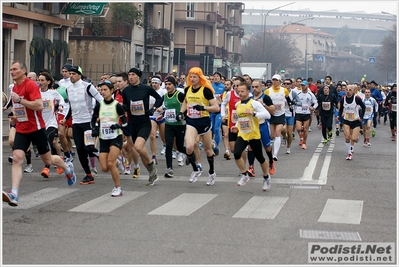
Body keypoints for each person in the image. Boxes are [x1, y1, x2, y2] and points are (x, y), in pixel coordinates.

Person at [2, 61, 76, 207]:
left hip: (36, 128)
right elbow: (20, 108)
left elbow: (39, 105)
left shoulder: (30, 85)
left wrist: (20, 100)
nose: (12, 72)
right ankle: (14, 194)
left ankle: (68, 168)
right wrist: (15, 116)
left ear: (23, 71)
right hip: (22, 129)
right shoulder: (14, 88)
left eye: (15, 69)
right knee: (17, 159)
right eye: (10, 69)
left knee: (48, 160)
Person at [121, 67, 163, 186]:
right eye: (129, 75)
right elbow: (125, 105)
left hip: (144, 122)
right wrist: (122, 108)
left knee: (138, 147)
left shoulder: (146, 88)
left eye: (133, 74)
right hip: (132, 123)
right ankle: (152, 174)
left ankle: (151, 163)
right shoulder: (126, 91)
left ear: (138, 76)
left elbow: (159, 99)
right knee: (138, 149)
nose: (130, 77)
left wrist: (153, 109)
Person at [178, 67, 220, 185]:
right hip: (191, 121)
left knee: (207, 149)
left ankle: (211, 172)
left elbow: (216, 107)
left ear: (200, 78)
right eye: (190, 77)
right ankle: (195, 169)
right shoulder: (187, 89)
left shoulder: (206, 90)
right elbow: (186, 102)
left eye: (195, 77)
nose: (192, 79)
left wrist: (203, 108)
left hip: (204, 122)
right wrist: (181, 112)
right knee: (189, 147)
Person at [63, 66, 104, 185]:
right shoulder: (68, 89)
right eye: (70, 73)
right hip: (76, 122)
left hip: (88, 121)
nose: (71, 76)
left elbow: (101, 100)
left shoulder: (88, 87)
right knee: (80, 150)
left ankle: (103, 157)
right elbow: (71, 106)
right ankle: (89, 175)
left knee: (88, 148)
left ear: (79, 75)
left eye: (73, 74)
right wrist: (65, 119)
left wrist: (98, 115)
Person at [91, 80, 129, 196]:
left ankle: (118, 188)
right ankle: (119, 162)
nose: (103, 92)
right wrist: (95, 129)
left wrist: (118, 125)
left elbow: (125, 122)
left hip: (115, 137)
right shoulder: (99, 105)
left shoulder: (117, 106)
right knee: (104, 168)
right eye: (101, 90)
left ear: (112, 91)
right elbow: (93, 120)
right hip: (103, 138)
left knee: (110, 163)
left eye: (105, 90)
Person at [231, 82, 271, 191]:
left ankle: (266, 177)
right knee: (237, 153)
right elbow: (240, 119)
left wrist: (253, 114)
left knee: (260, 158)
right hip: (243, 134)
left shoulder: (254, 103)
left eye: (242, 91)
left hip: (253, 135)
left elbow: (267, 115)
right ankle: (244, 174)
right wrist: (236, 126)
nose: (240, 93)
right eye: (238, 91)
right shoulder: (237, 104)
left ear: (248, 92)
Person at [156, 76, 186, 178]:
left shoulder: (180, 95)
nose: (168, 86)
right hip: (169, 124)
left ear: (174, 85)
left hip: (179, 125)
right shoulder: (164, 96)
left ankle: (191, 156)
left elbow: (187, 105)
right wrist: (162, 114)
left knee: (180, 147)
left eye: (170, 84)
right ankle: (169, 169)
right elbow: (167, 108)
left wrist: (182, 115)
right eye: (166, 84)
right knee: (169, 145)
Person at [37, 71, 65, 178]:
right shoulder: (36, 92)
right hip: (40, 124)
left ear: (48, 82)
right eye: (39, 80)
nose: (40, 82)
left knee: (48, 141)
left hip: (51, 123)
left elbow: (61, 99)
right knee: (49, 144)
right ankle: (58, 159)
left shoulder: (53, 93)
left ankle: (46, 168)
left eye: (42, 80)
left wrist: (60, 106)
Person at [115, 72, 141, 177]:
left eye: (120, 81)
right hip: (119, 122)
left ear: (126, 82)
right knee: (118, 145)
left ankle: (133, 165)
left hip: (130, 122)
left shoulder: (131, 92)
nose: (118, 84)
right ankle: (123, 160)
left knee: (131, 147)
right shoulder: (115, 93)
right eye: (117, 82)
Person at [264, 74, 291, 161]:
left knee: (278, 133)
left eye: (276, 80)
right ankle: (273, 151)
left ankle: (275, 154)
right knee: (272, 135)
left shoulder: (284, 90)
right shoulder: (268, 91)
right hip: (271, 114)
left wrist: (291, 106)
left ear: (280, 81)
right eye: (273, 80)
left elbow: (288, 99)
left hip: (281, 114)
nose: (274, 82)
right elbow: (264, 101)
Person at [337, 84, 366, 160]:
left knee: (353, 139)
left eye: (350, 90)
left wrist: (361, 117)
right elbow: (341, 108)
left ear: (353, 91)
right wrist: (339, 116)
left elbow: (363, 107)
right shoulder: (343, 99)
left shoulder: (357, 99)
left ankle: (356, 139)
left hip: (355, 121)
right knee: (347, 137)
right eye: (347, 90)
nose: (348, 91)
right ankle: (349, 153)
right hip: (346, 120)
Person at [294, 80, 318, 149]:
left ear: (307, 86)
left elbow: (316, 102)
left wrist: (313, 108)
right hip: (299, 113)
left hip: (306, 113)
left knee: (305, 129)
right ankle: (301, 138)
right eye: (302, 85)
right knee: (298, 129)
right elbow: (294, 102)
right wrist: (294, 109)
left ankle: (304, 143)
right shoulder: (298, 94)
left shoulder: (310, 94)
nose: (302, 87)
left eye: (304, 85)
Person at [148, 76, 167, 164]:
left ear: (159, 83)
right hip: (152, 117)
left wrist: (161, 108)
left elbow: (167, 103)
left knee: (163, 137)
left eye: (156, 83)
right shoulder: (148, 92)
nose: (154, 84)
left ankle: (167, 147)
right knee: (152, 136)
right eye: (153, 83)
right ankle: (154, 155)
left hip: (162, 116)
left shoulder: (163, 91)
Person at [210, 71, 225, 156]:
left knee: (216, 129)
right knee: (211, 130)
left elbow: (225, 98)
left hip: (219, 111)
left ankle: (216, 147)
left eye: (217, 77)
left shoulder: (222, 87)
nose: (216, 78)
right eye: (214, 76)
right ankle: (211, 145)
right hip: (211, 111)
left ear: (220, 78)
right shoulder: (210, 86)